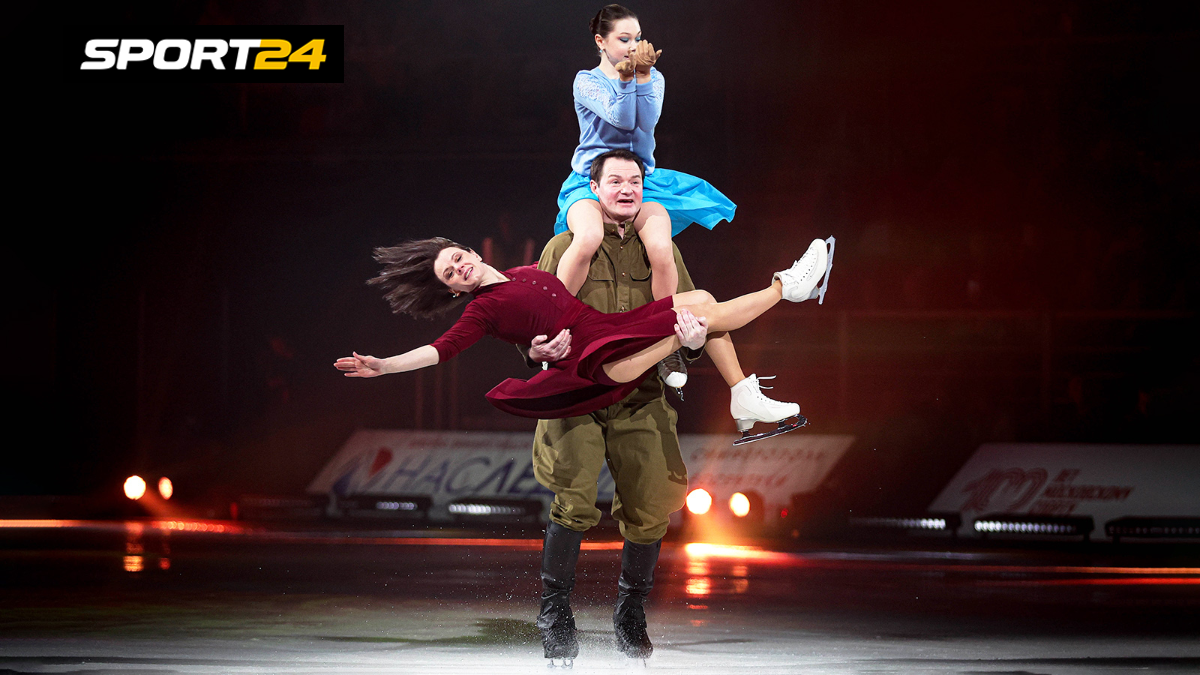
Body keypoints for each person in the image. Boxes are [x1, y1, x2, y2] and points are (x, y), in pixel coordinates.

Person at [334, 154, 827, 429]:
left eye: (456, 257)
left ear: (468, 250)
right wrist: (385, 366)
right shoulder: (481, 311)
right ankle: (787, 287)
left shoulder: (525, 272)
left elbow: (548, 310)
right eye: (450, 274)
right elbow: (439, 351)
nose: (460, 268)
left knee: (699, 302)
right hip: (597, 360)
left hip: (610, 330)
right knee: (697, 317)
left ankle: (741, 390)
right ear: (452, 290)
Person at [554, 4, 738, 393]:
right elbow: (621, 118)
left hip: (641, 184)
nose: (633, 46)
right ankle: (553, 330)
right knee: (588, 238)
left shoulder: (653, 77)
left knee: (660, 247)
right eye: (624, 39)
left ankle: (664, 338)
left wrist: (641, 76)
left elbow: (645, 123)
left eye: (637, 38)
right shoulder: (586, 81)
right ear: (600, 41)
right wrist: (626, 79)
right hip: (592, 183)